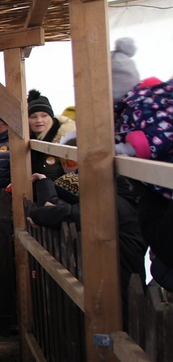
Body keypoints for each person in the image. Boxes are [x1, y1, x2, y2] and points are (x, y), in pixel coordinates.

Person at [29, 137, 146, 328]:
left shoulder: (114, 204)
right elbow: (66, 205)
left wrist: (39, 214)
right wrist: (45, 184)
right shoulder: (122, 195)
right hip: (118, 279)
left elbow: (74, 213)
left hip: (122, 283)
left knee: (124, 324)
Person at [27, 89, 76, 181]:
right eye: (33, 116)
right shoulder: (23, 142)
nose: (39, 120)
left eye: (44, 115)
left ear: (52, 118)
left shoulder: (67, 141)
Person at [111, 37, 140, 103]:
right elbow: (135, 82)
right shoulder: (129, 62)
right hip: (127, 100)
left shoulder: (109, 57)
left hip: (109, 98)